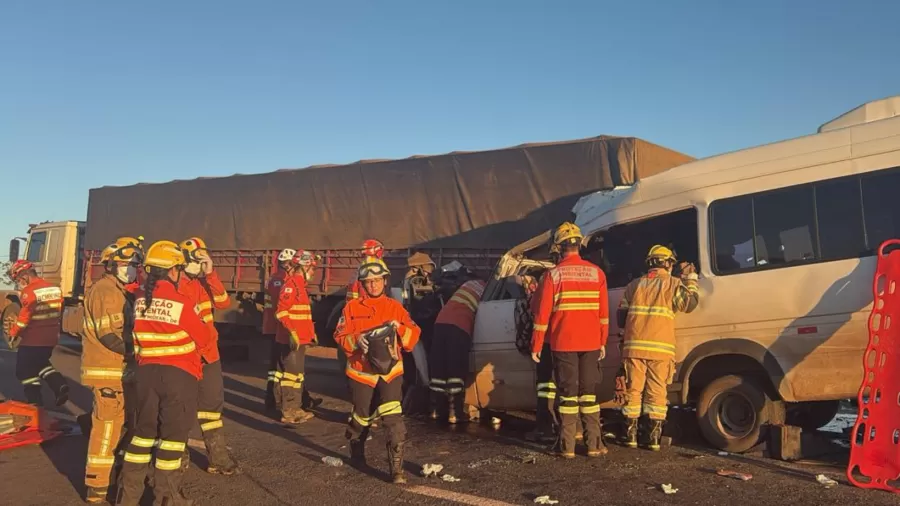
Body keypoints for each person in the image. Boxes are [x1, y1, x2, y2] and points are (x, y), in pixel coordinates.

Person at [116, 240, 212, 506]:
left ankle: (128, 497)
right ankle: (167, 499)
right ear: (173, 271)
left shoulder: (139, 301)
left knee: (143, 434)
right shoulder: (181, 301)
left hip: (146, 375)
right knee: (171, 440)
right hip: (178, 377)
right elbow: (204, 337)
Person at [335, 257, 420, 484]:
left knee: (393, 417)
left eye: (377, 280)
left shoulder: (395, 307)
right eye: (368, 281)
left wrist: (400, 329)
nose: (373, 285)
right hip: (361, 372)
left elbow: (413, 337)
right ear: (362, 284)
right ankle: (356, 451)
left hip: (390, 373)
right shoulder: (351, 308)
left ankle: (397, 470)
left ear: (384, 281)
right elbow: (340, 336)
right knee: (362, 416)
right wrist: (356, 340)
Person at [530, 222, 609, 459]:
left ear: (559, 246)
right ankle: (594, 444)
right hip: (592, 342)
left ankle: (567, 447)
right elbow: (603, 315)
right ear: (579, 245)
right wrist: (602, 341)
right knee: (589, 394)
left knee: (568, 395)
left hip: (563, 342)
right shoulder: (597, 273)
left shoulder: (553, 275)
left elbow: (541, 315)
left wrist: (536, 345)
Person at [617, 245, 699, 451]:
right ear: (668, 264)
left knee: (633, 391)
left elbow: (620, 319)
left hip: (634, 348)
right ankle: (653, 438)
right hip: (660, 349)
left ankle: (630, 436)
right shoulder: (673, 284)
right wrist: (691, 280)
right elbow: (689, 304)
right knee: (657, 392)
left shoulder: (634, 285)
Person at [81, 237, 142, 504]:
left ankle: (108, 479)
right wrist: (138, 349)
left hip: (119, 372)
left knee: (119, 426)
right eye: (125, 263)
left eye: (134, 264)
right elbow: (109, 335)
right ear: (111, 264)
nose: (131, 268)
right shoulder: (105, 290)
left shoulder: (120, 289)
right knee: (107, 429)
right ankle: (97, 488)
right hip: (107, 371)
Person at [177, 237, 240, 475]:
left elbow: (223, 302)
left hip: (209, 355)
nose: (199, 262)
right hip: (185, 356)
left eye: (202, 257)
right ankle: (178, 454)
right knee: (180, 407)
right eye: (196, 257)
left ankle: (218, 458)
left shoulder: (204, 283)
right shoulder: (175, 284)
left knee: (212, 406)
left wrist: (210, 273)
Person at [5, 260, 69, 407]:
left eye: (19, 279)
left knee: (23, 371)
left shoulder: (29, 292)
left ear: (25, 276)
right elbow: (61, 309)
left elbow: (24, 318)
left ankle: (35, 402)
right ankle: (59, 386)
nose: (20, 283)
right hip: (51, 338)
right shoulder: (55, 289)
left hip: (33, 339)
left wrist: (13, 332)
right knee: (40, 364)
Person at [428, 267, 485, 423]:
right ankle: (455, 412)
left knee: (439, 370)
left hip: (440, 323)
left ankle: (435, 410)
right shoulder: (486, 290)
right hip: (459, 325)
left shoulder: (467, 286)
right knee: (456, 370)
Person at [274, 249, 319, 424]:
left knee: (298, 376)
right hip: (291, 341)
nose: (314, 273)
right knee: (290, 376)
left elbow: (303, 315)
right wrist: (292, 333)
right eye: (312, 269)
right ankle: (288, 411)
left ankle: (296, 408)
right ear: (305, 267)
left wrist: (310, 333)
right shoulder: (291, 285)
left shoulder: (300, 285)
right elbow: (281, 312)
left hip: (301, 339)